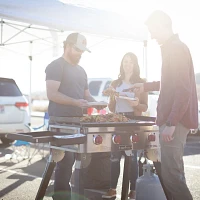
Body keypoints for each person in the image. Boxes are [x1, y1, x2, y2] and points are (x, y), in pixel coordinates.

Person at [131, 10, 198, 200]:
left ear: (163, 26)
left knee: (171, 178)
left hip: (174, 123)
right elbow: (169, 83)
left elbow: (183, 90)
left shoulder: (176, 48)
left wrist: (171, 122)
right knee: (174, 175)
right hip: (172, 121)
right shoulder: (172, 48)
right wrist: (145, 85)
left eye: (153, 30)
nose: (151, 36)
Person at [45, 32, 101, 200]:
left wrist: (96, 103)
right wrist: (76, 102)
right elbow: (52, 94)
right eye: (78, 50)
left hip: (80, 123)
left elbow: (86, 96)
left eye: (83, 51)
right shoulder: (56, 66)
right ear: (68, 46)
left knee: (85, 164)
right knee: (64, 164)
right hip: (61, 123)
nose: (80, 54)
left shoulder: (82, 71)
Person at [102, 52, 148, 200]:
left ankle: (133, 190)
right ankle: (112, 189)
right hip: (117, 120)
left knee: (132, 156)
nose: (127, 64)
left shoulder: (141, 83)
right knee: (114, 156)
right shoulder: (115, 84)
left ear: (135, 65)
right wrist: (112, 97)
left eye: (130, 62)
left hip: (133, 119)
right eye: (125, 62)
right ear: (122, 64)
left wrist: (136, 104)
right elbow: (110, 107)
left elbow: (144, 106)